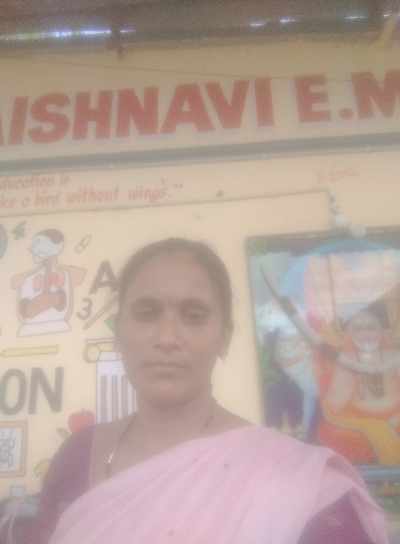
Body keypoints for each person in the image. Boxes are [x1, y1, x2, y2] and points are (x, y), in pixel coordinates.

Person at [33, 238, 388, 544]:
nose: (167, 338)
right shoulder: (77, 457)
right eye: (146, 313)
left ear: (225, 337)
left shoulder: (302, 486)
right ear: (118, 331)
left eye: (194, 316)